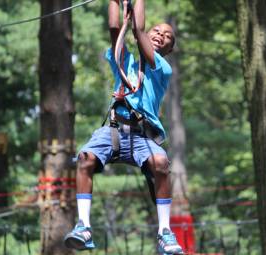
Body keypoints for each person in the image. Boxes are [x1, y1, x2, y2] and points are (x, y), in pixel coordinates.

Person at [63, 0, 184, 254]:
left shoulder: (161, 68)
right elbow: (114, 28)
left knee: (160, 163)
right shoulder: (124, 60)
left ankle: (165, 232)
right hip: (115, 129)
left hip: (142, 134)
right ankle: (83, 226)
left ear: (169, 49)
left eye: (167, 36)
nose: (161, 35)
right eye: (157, 31)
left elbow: (137, 30)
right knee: (85, 158)